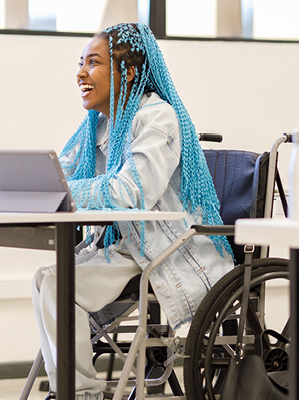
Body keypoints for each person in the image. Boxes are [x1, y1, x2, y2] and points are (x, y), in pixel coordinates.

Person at [31, 23, 235, 400]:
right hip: (128, 250)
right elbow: (60, 175)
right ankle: (73, 391)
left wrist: (60, 189)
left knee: (58, 286)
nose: (80, 73)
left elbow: (130, 192)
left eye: (93, 63)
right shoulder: (99, 125)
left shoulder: (158, 118)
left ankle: (80, 394)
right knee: (45, 279)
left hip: (165, 253)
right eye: (80, 63)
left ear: (129, 73)